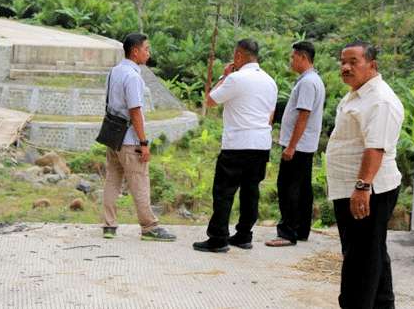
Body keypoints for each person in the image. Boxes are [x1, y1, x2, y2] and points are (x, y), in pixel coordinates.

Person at [327, 41, 404, 309]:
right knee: (372, 255)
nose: (346, 68)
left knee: (360, 262)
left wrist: (362, 188)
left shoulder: (380, 100)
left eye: (353, 62)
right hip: (355, 188)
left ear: (372, 65)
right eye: (343, 62)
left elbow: (376, 147)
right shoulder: (358, 94)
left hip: (369, 190)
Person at [193, 39, 278, 253]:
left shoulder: (236, 79)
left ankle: (218, 238)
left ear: (239, 56)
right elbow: (270, 114)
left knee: (224, 191)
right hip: (261, 143)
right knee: (251, 191)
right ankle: (244, 235)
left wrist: (225, 75)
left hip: (237, 143)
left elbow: (210, 100)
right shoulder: (270, 81)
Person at [101, 33, 176, 242]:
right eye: (146, 49)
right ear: (135, 51)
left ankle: (109, 225)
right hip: (129, 140)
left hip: (113, 137)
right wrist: (143, 143)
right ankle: (149, 226)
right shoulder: (133, 77)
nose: (148, 53)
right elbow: (135, 112)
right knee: (140, 182)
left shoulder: (114, 71)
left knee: (112, 180)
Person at [266, 41, 325, 248]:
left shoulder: (308, 83)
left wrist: (291, 146)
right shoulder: (311, 80)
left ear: (302, 57)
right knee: (302, 189)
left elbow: (303, 115)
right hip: (304, 145)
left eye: (293, 57)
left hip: (298, 146)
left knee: (288, 187)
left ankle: (287, 232)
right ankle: (301, 230)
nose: (291, 61)